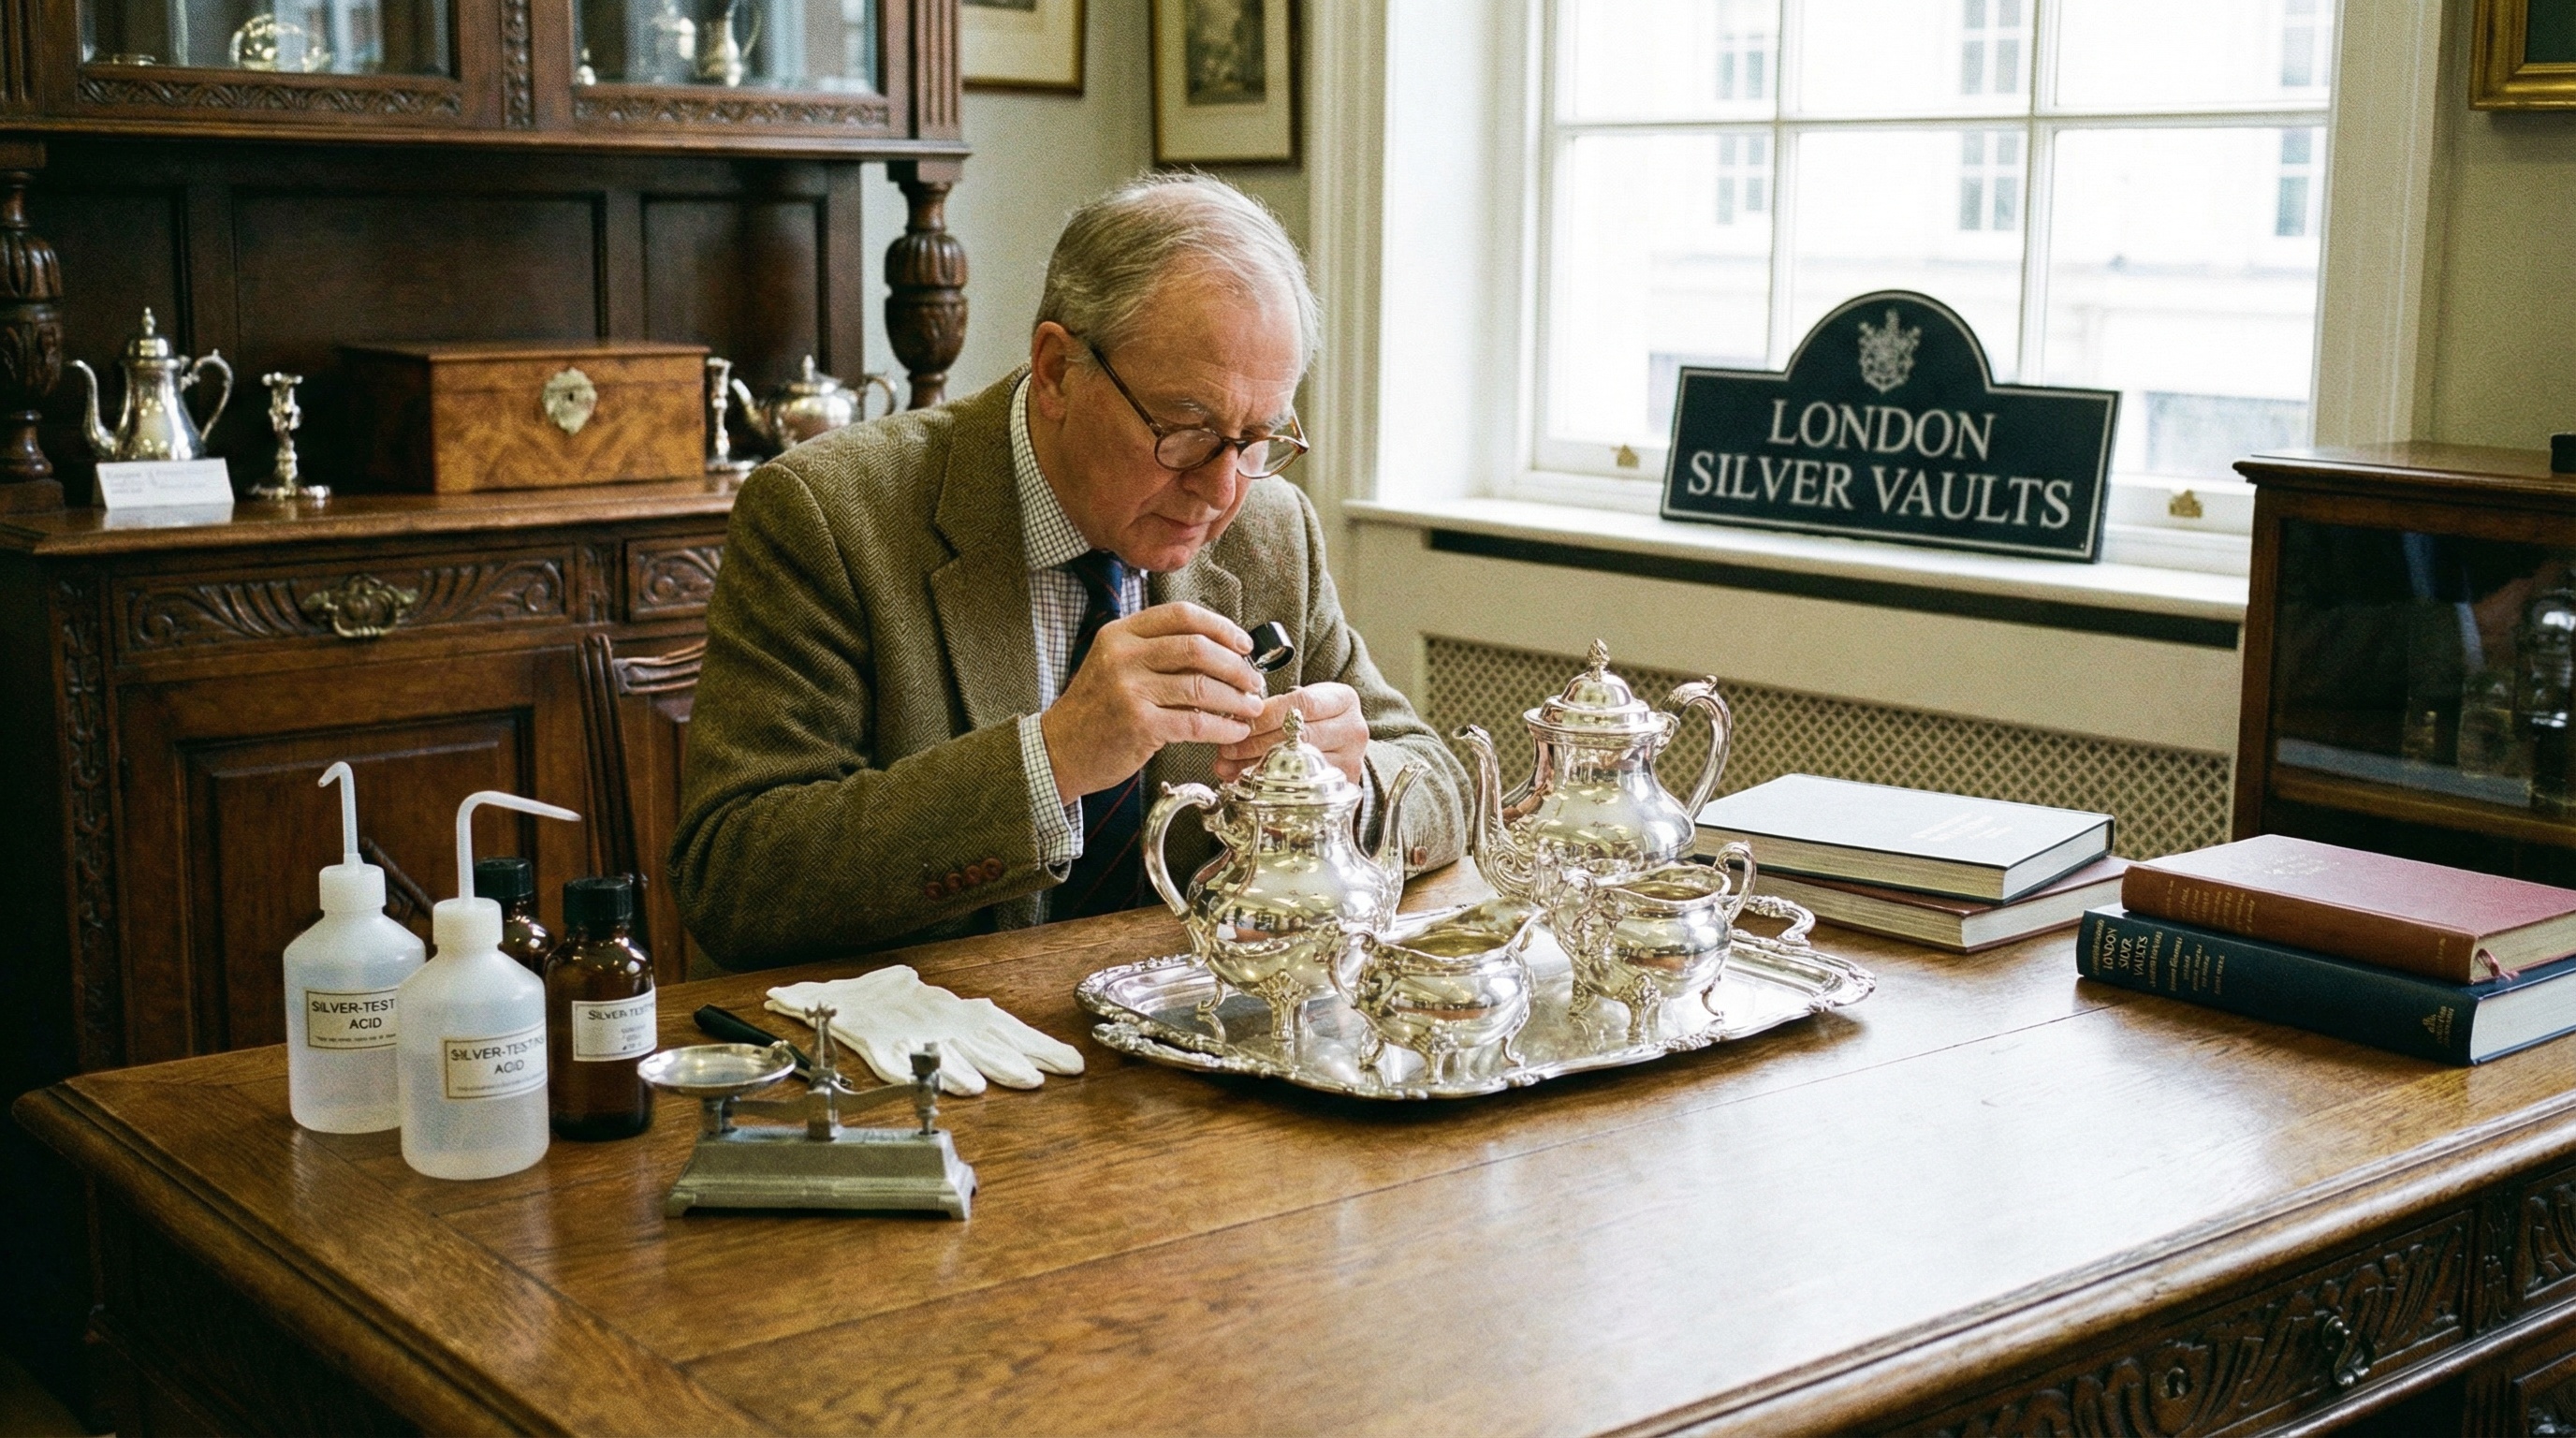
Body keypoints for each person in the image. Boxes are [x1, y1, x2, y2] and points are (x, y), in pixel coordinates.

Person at [671, 173, 1471, 969]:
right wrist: (1049, 761)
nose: (1223, 489)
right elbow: (734, 879)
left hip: (1194, 1022)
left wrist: (1349, 784)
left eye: (1258, 438)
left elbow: (1439, 782)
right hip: (935, 1033)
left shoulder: (1272, 529)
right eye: (1186, 429)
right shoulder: (830, 514)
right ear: (1056, 369)